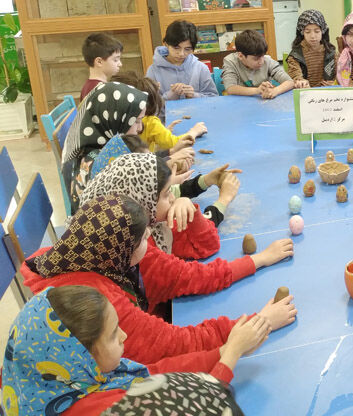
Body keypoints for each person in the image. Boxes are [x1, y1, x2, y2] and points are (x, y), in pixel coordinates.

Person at [22, 194, 297, 365]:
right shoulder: (103, 305)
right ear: (122, 250)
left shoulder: (70, 257)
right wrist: (259, 324)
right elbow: (175, 346)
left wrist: (258, 260)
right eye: (144, 238)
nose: (150, 241)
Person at [1, 285, 264, 415]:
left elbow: (152, 376)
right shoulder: (99, 408)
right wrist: (230, 356)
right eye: (115, 335)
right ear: (83, 359)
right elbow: (195, 407)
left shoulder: (63, 381)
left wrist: (221, 352)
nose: (124, 336)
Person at [81, 152, 242, 258]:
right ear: (143, 202)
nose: (172, 198)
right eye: (167, 194)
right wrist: (224, 200)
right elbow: (207, 241)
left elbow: (169, 192)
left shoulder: (135, 212)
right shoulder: (144, 244)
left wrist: (206, 180)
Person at [61, 82, 148, 214]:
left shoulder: (93, 147)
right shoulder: (106, 162)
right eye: (136, 121)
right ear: (116, 119)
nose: (140, 128)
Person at [112, 71, 206, 152]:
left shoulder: (115, 120)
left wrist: (162, 132)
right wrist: (193, 132)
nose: (139, 128)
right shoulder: (150, 122)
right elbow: (173, 143)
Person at [146, 20, 218, 101]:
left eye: (187, 49)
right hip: (165, 114)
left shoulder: (200, 68)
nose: (181, 54)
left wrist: (193, 95)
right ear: (166, 44)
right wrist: (170, 96)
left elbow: (213, 99)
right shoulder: (153, 71)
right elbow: (148, 105)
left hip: (196, 113)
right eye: (176, 48)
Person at [222, 29, 295, 99]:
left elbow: (289, 82)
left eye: (263, 56)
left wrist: (275, 91)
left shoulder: (267, 61)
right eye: (256, 59)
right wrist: (257, 90)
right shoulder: (230, 62)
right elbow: (230, 88)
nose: (261, 61)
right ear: (241, 56)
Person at [286, 9, 338, 88]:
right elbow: (295, 75)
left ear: (323, 31)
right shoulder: (296, 55)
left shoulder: (330, 52)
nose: (313, 36)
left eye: (317, 31)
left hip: (328, 94)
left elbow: (342, 74)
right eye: (307, 32)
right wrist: (300, 82)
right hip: (306, 94)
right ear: (302, 32)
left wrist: (335, 83)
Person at [80, 32, 123, 101]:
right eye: (115, 60)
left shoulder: (87, 86)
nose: (120, 64)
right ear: (99, 62)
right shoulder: (102, 90)